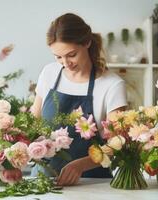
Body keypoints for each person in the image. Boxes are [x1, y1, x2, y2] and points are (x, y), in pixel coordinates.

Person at [31, 13, 128, 186]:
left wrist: (81, 165)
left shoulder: (112, 85)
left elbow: (117, 143)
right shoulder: (49, 73)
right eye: (58, 57)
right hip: (44, 179)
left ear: (87, 42)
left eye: (71, 54)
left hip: (92, 182)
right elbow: (33, 121)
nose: (65, 63)